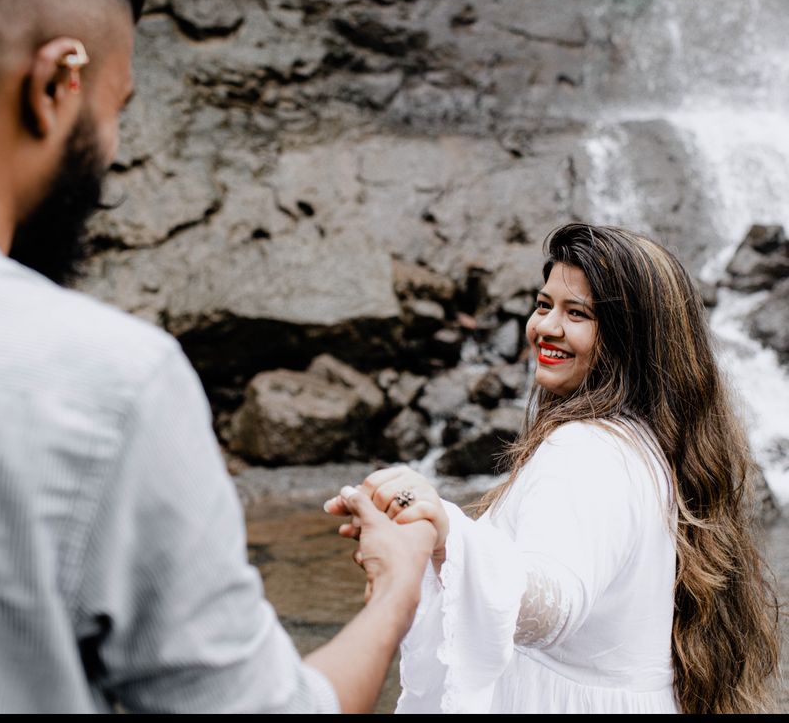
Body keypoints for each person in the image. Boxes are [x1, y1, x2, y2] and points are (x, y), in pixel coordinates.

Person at [0, 0, 436, 713]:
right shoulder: (107, 382)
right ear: (58, 84)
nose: (116, 149)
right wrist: (396, 586)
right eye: (116, 108)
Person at [327, 223, 780, 713]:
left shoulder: (586, 448)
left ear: (632, 339)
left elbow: (552, 607)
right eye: (544, 305)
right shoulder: (651, 443)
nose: (544, 327)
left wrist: (445, 533)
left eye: (577, 313)